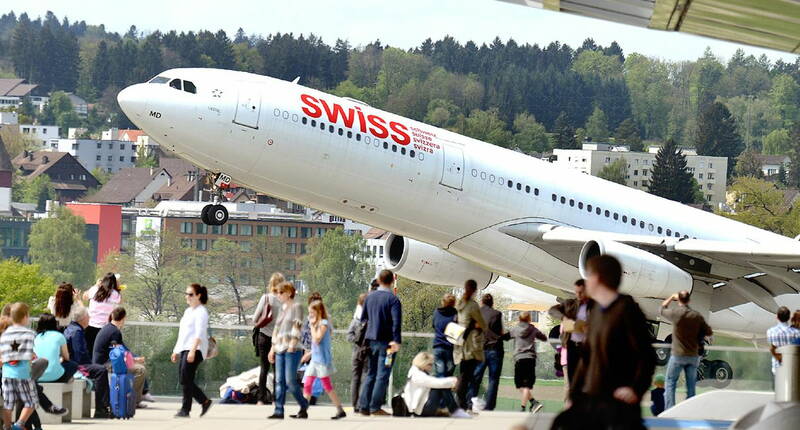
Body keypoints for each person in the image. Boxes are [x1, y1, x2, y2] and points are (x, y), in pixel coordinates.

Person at [552, 256, 656, 430]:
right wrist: (573, 397)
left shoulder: (627, 309)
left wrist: (635, 390)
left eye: (589, 276)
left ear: (598, 278)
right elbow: (586, 358)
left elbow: (647, 356)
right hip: (593, 399)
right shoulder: (597, 312)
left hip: (618, 405)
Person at [358, 269, 402, 416]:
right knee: (383, 375)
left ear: (379, 280)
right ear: (392, 281)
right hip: (387, 344)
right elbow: (396, 323)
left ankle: (364, 406)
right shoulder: (393, 300)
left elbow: (363, 318)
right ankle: (375, 407)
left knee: (371, 373)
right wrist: (396, 341)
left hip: (371, 341)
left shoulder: (369, 297)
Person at [660, 291, 713, 410]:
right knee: (690, 386)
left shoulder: (676, 314)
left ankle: (669, 409)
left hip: (678, 354)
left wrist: (671, 297)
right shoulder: (696, 316)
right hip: (692, 356)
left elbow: (662, 309)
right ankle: (690, 410)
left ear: (679, 301)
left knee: (670, 382)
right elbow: (708, 332)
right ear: (689, 301)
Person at [91, 307, 148, 408]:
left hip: (101, 362)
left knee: (137, 367)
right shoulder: (115, 332)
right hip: (105, 364)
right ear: (123, 318)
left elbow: (122, 350)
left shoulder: (108, 328)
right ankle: (131, 401)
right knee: (140, 370)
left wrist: (134, 358)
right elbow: (120, 354)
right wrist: (135, 360)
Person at [267, 282, 308, 420]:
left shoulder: (297, 306)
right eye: (277, 292)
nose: (278, 295)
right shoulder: (282, 308)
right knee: (279, 380)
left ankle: (303, 404)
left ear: (289, 293)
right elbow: (277, 329)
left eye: (280, 292)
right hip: (279, 348)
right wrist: (272, 348)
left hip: (292, 349)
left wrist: (293, 343)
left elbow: (297, 325)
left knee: (290, 381)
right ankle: (279, 410)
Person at [171, 284, 212, 418]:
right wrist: (176, 350)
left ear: (198, 295)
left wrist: (193, 350)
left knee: (186, 379)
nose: (187, 297)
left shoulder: (201, 312)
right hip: (185, 348)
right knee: (184, 379)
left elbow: (199, 333)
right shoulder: (188, 311)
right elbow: (183, 334)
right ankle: (204, 401)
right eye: (186, 294)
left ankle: (186, 409)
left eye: (190, 294)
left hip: (196, 349)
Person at [63, 307, 112, 418]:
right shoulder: (77, 332)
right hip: (77, 367)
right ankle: (101, 408)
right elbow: (79, 355)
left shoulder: (71, 328)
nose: (89, 318)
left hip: (72, 364)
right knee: (101, 370)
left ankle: (103, 407)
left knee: (99, 368)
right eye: (88, 316)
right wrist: (91, 365)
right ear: (83, 318)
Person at [303, 300, 346, 420]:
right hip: (315, 359)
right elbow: (316, 345)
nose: (310, 315)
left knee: (327, 386)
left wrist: (311, 326)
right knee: (307, 383)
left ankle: (340, 409)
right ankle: (303, 410)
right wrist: (309, 354)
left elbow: (317, 339)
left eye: (312, 312)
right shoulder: (317, 323)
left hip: (322, 360)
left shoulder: (324, 323)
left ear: (318, 311)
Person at [548, 279, 593, 387]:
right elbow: (552, 311)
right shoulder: (570, 304)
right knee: (571, 387)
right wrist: (565, 318)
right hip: (572, 348)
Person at [0, 303, 38, 430]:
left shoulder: (5, 335)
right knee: (31, 402)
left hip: (6, 373)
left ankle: (7, 426)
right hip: (22, 373)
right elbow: (29, 355)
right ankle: (19, 424)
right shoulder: (29, 334)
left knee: (8, 404)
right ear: (25, 317)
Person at [401, 352, 470, 418]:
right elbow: (435, 383)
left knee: (441, 385)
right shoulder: (417, 375)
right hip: (418, 410)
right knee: (440, 387)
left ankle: (452, 410)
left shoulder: (418, 373)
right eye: (429, 364)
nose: (431, 367)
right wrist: (453, 381)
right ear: (423, 363)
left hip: (420, 408)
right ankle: (454, 410)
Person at [470, 293, 508, 411]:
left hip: (480, 349)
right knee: (493, 379)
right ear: (492, 303)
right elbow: (501, 332)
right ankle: (489, 406)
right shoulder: (497, 314)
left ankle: (470, 401)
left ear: (482, 302)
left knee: (476, 377)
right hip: (495, 349)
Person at [454, 279, 486, 412]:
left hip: (459, 344)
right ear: (474, 290)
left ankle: (461, 402)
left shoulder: (459, 303)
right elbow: (483, 325)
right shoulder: (472, 305)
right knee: (468, 376)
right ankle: (462, 403)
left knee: (464, 373)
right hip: (470, 346)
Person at [252, 272, 284, 406]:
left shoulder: (265, 298)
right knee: (277, 370)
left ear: (271, 284)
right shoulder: (284, 301)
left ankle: (261, 399)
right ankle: (277, 399)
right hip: (277, 339)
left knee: (264, 368)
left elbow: (255, 319)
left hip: (263, 336)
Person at [510, 311, 547, 413]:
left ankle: (523, 407)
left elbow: (507, 336)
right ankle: (534, 402)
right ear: (529, 319)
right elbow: (544, 338)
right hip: (530, 359)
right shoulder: (533, 329)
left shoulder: (516, 329)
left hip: (519, 358)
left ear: (520, 319)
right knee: (526, 385)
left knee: (521, 385)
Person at [33, 314, 79, 383]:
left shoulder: (36, 337)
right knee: (73, 365)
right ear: (54, 323)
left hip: (37, 376)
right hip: (55, 377)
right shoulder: (59, 336)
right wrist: (59, 359)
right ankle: (67, 378)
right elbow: (66, 358)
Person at [83, 273, 122, 354]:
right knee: (102, 352)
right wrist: (118, 288)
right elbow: (120, 301)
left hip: (90, 325)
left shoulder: (95, 290)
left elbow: (85, 296)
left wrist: (96, 285)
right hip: (105, 328)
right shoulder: (115, 294)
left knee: (89, 350)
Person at [346, 293, 369, 413]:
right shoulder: (370, 320)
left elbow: (348, 335)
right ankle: (362, 403)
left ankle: (355, 404)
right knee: (365, 377)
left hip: (356, 351)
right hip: (367, 352)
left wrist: (356, 340)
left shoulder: (356, 320)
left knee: (355, 378)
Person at [767, 306, 800, 375]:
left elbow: (772, 347)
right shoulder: (796, 333)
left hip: (777, 368)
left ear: (777, 317)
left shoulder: (771, 332)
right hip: (793, 367)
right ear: (788, 318)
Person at [432, 293, 457, 378]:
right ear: (453, 303)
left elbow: (434, 325)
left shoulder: (436, 312)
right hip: (449, 347)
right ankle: (445, 390)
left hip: (437, 346)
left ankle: (440, 389)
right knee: (449, 372)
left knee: (440, 374)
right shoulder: (455, 314)